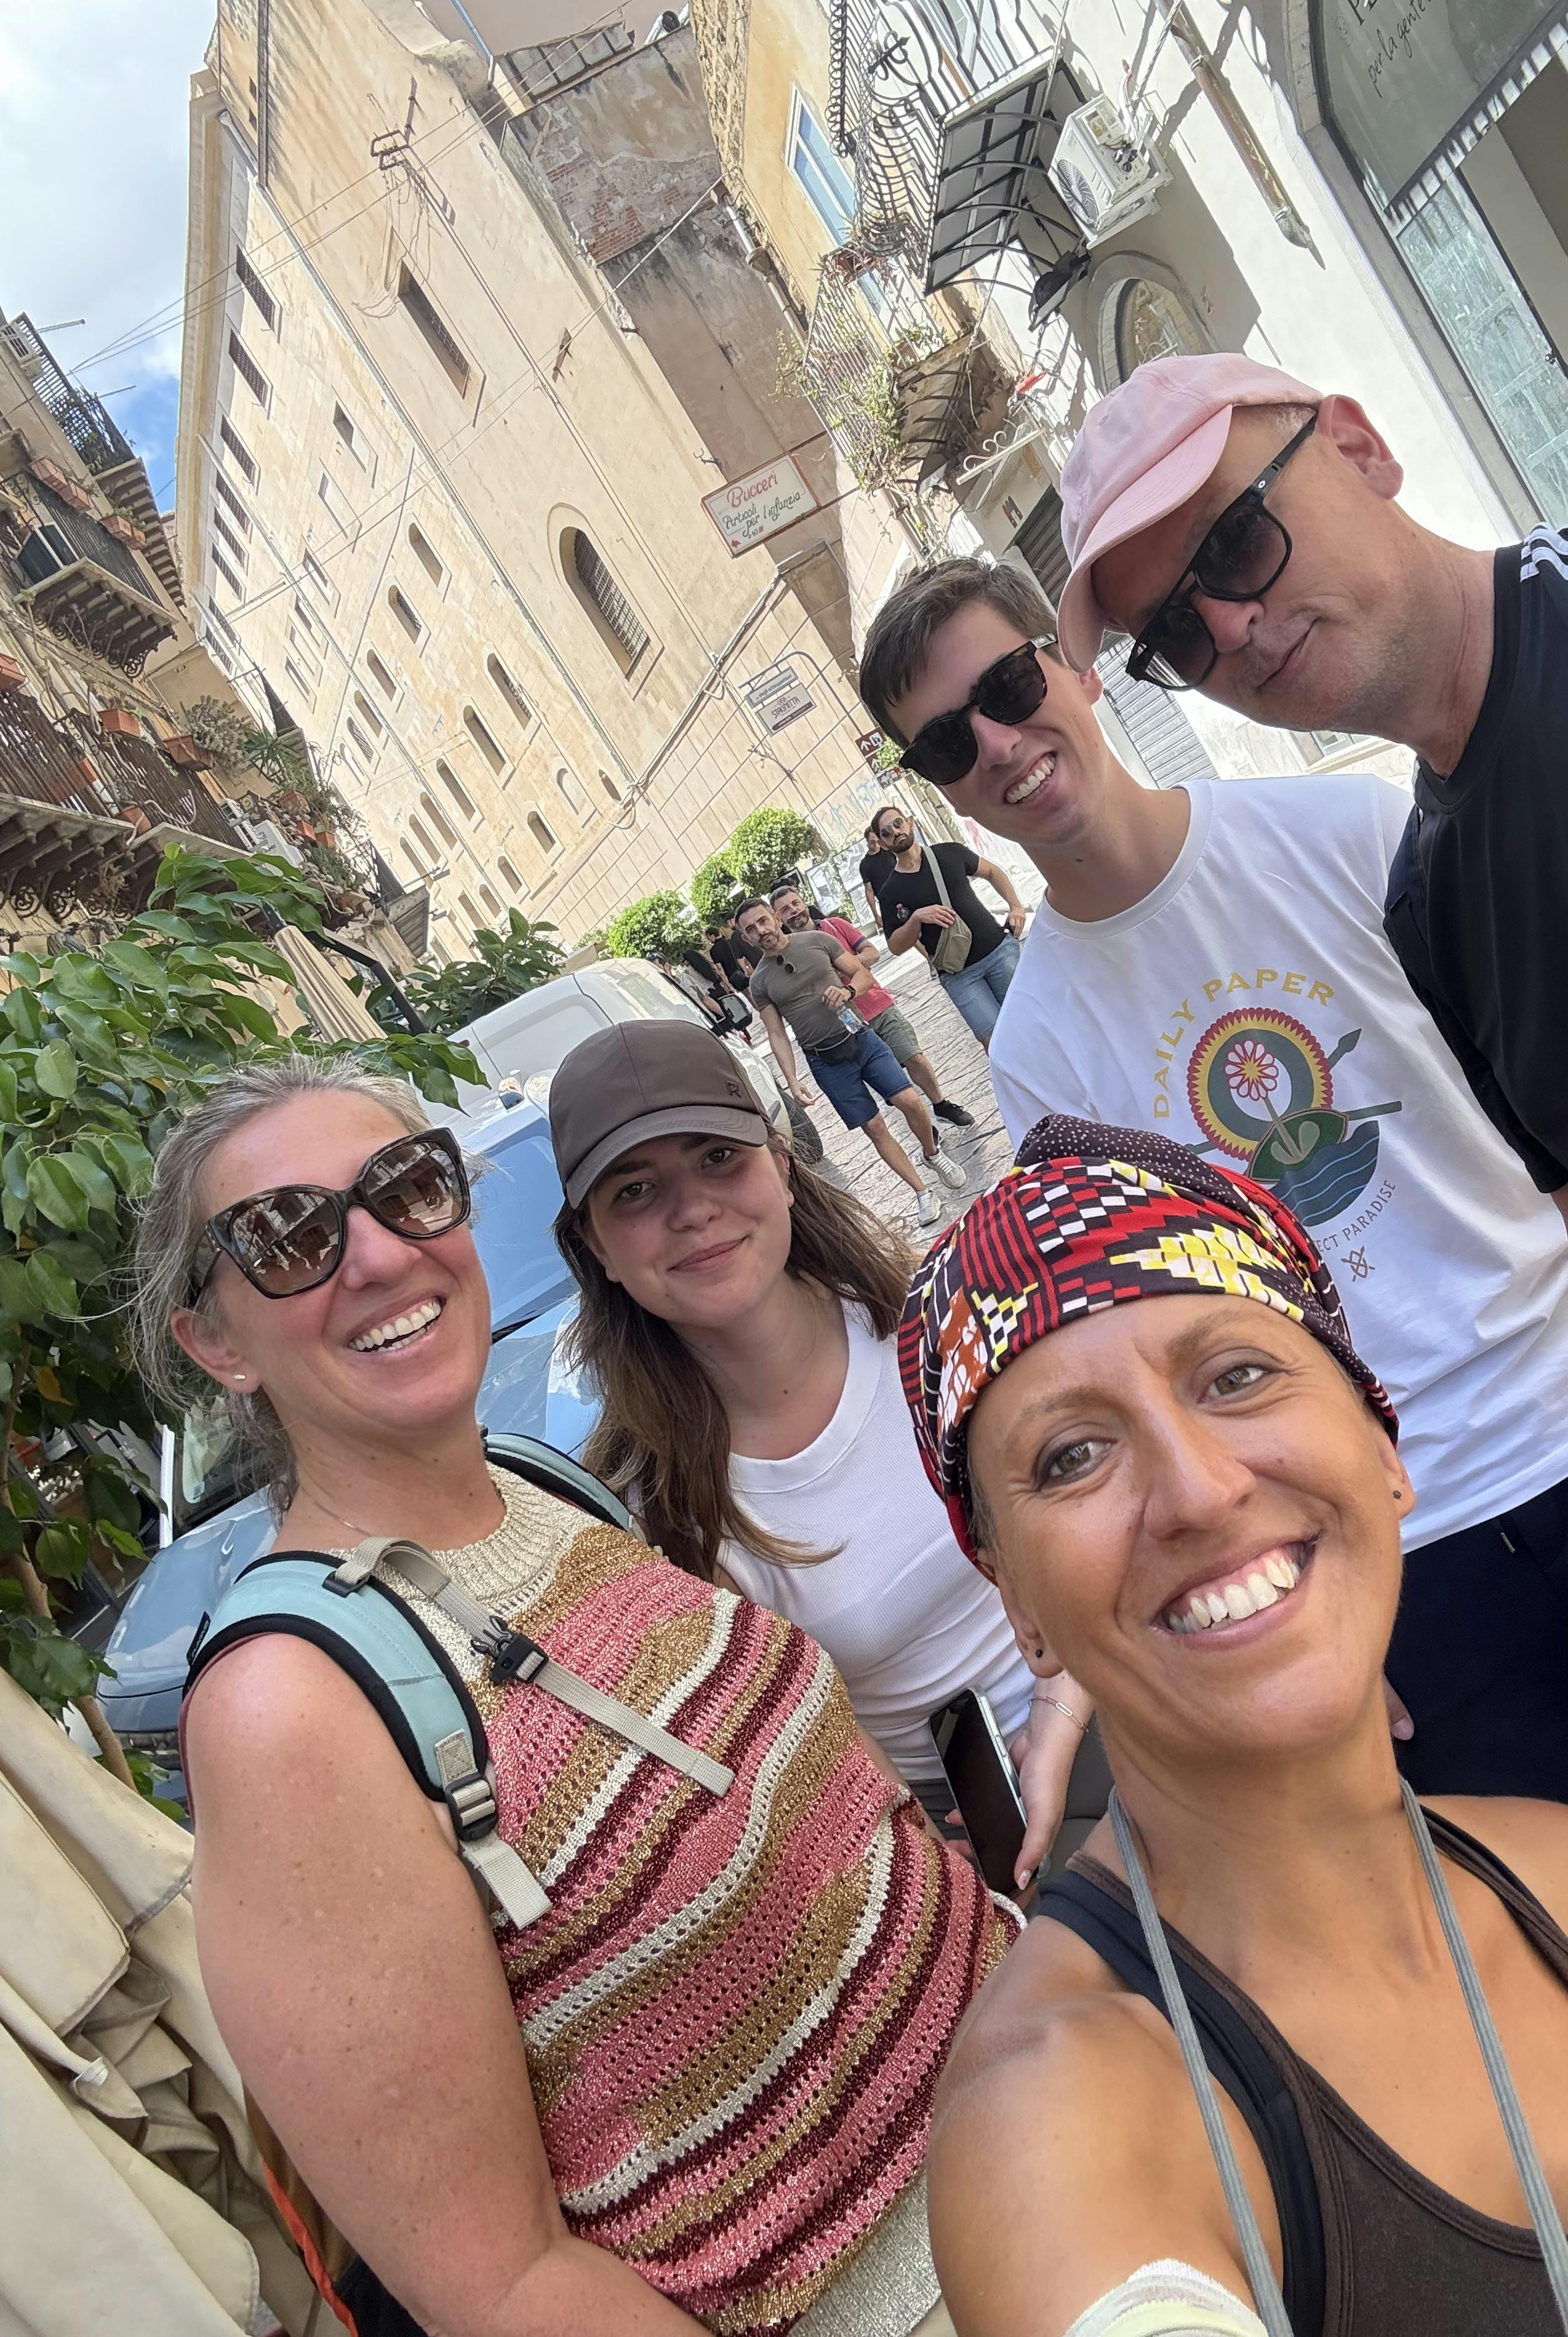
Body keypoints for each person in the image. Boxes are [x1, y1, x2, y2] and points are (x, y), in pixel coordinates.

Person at [857, 545, 1568, 2152]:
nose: (997, 743)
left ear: (1072, 666)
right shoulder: (1039, 1045)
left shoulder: (1340, 832)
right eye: (944, 742)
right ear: (933, 790)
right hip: (1400, 1516)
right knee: (1556, 1918)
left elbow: (1563, 1104)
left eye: (1008, 686)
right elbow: (1144, 1338)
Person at [1059, 350, 1568, 1947]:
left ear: (1359, 445)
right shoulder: (1432, 901)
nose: (1233, 629)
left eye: (1237, 544)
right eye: (1180, 635)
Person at [902, 1121, 1568, 2337]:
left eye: (1235, 1377)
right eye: (1073, 1454)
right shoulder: (1061, 2125)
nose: (1198, 1489)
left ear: (1381, 1443)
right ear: (1018, 1607)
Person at [139, 1053, 1015, 2337]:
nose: (376, 1255)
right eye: (287, 1238)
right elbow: (503, 2285)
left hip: (1069, 2128)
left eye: (406, 1187)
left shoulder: (547, 1486)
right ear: (216, 1342)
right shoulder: (290, 1710)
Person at [547, 1015, 1089, 1878]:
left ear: (783, 1167)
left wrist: (1062, 1715)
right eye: (635, 1191)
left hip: (1129, 1694)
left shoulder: (938, 1312)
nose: (693, 1211)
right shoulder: (655, 1514)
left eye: (718, 1157)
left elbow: (1108, 1519)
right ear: (596, 1247)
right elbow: (807, 1749)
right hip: (988, 1859)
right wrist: (935, 1862)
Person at [737, 891, 966, 1226]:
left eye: (762, 921)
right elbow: (777, 1034)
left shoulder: (817, 940)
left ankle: (932, 1154)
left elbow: (863, 974)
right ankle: (921, 1192)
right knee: (874, 1126)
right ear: (746, 939)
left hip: (860, 1037)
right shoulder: (759, 982)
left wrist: (847, 991)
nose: (760, 931)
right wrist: (792, 1080)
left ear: (776, 918)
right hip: (825, 1060)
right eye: (751, 930)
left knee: (911, 1102)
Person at [770, 876, 977, 1131]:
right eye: (785, 910)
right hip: (847, 1025)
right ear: (778, 918)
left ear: (804, 902)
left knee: (913, 1056)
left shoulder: (835, 926)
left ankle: (941, 1104)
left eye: (795, 904)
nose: (793, 911)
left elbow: (872, 952)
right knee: (891, 1082)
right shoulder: (786, 955)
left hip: (877, 1005)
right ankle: (924, 1127)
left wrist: (847, 965)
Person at [871, 800, 1029, 1047]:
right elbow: (896, 946)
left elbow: (992, 872)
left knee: (1032, 1020)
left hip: (999, 952)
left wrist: (1016, 906)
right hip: (960, 976)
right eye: (887, 832)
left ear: (910, 823)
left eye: (898, 824)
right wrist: (917, 918)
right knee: (996, 1044)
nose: (896, 832)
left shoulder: (949, 853)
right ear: (882, 844)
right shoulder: (890, 892)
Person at [857, 820, 900, 935]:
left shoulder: (888, 851)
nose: (876, 845)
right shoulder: (865, 865)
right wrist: (876, 915)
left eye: (878, 841)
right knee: (899, 932)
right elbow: (869, 890)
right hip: (887, 902)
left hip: (902, 891)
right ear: (867, 843)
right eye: (872, 842)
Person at [707, 915, 757, 997]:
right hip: (742, 970)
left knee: (748, 996)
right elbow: (740, 956)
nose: (709, 939)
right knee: (756, 988)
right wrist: (746, 969)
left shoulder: (714, 951)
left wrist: (728, 984)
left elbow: (720, 968)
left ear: (712, 935)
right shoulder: (729, 941)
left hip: (732, 976)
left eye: (708, 937)